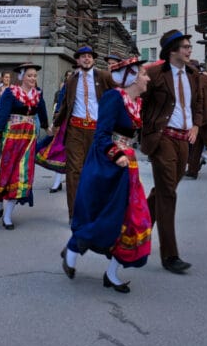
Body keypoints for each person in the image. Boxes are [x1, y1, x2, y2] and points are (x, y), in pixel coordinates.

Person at [63, 57, 153, 292]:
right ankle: (73, 248)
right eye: (144, 74)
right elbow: (102, 134)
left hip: (127, 164)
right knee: (109, 217)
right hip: (108, 163)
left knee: (131, 219)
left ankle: (112, 274)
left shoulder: (137, 103)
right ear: (132, 77)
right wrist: (116, 155)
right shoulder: (114, 97)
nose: (147, 78)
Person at [141, 30, 202, 274]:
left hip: (184, 139)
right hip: (163, 137)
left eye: (189, 46)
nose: (190, 50)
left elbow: (198, 103)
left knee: (164, 191)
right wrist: (147, 128)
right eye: (185, 47)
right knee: (168, 194)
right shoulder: (155, 74)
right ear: (172, 51)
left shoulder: (193, 74)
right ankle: (170, 255)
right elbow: (139, 102)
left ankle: (134, 231)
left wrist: (197, 124)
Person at [0, 62, 49, 230]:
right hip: (9, 139)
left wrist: (47, 127)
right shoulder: (11, 93)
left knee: (21, 175)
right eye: (29, 75)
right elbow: (1, 116)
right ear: (21, 77)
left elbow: (42, 113)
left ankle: (8, 216)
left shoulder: (38, 94)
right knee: (4, 173)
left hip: (28, 139)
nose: (32, 79)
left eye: (35, 76)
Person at [51, 46, 116, 219]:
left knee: (96, 170)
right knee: (74, 172)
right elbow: (66, 104)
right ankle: (74, 213)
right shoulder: (72, 80)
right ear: (77, 60)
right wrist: (55, 123)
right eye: (83, 57)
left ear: (93, 59)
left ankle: (96, 209)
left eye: (89, 56)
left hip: (97, 130)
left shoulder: (104, 76)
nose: (86, 59)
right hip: (76, 130)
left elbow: (118, 96)